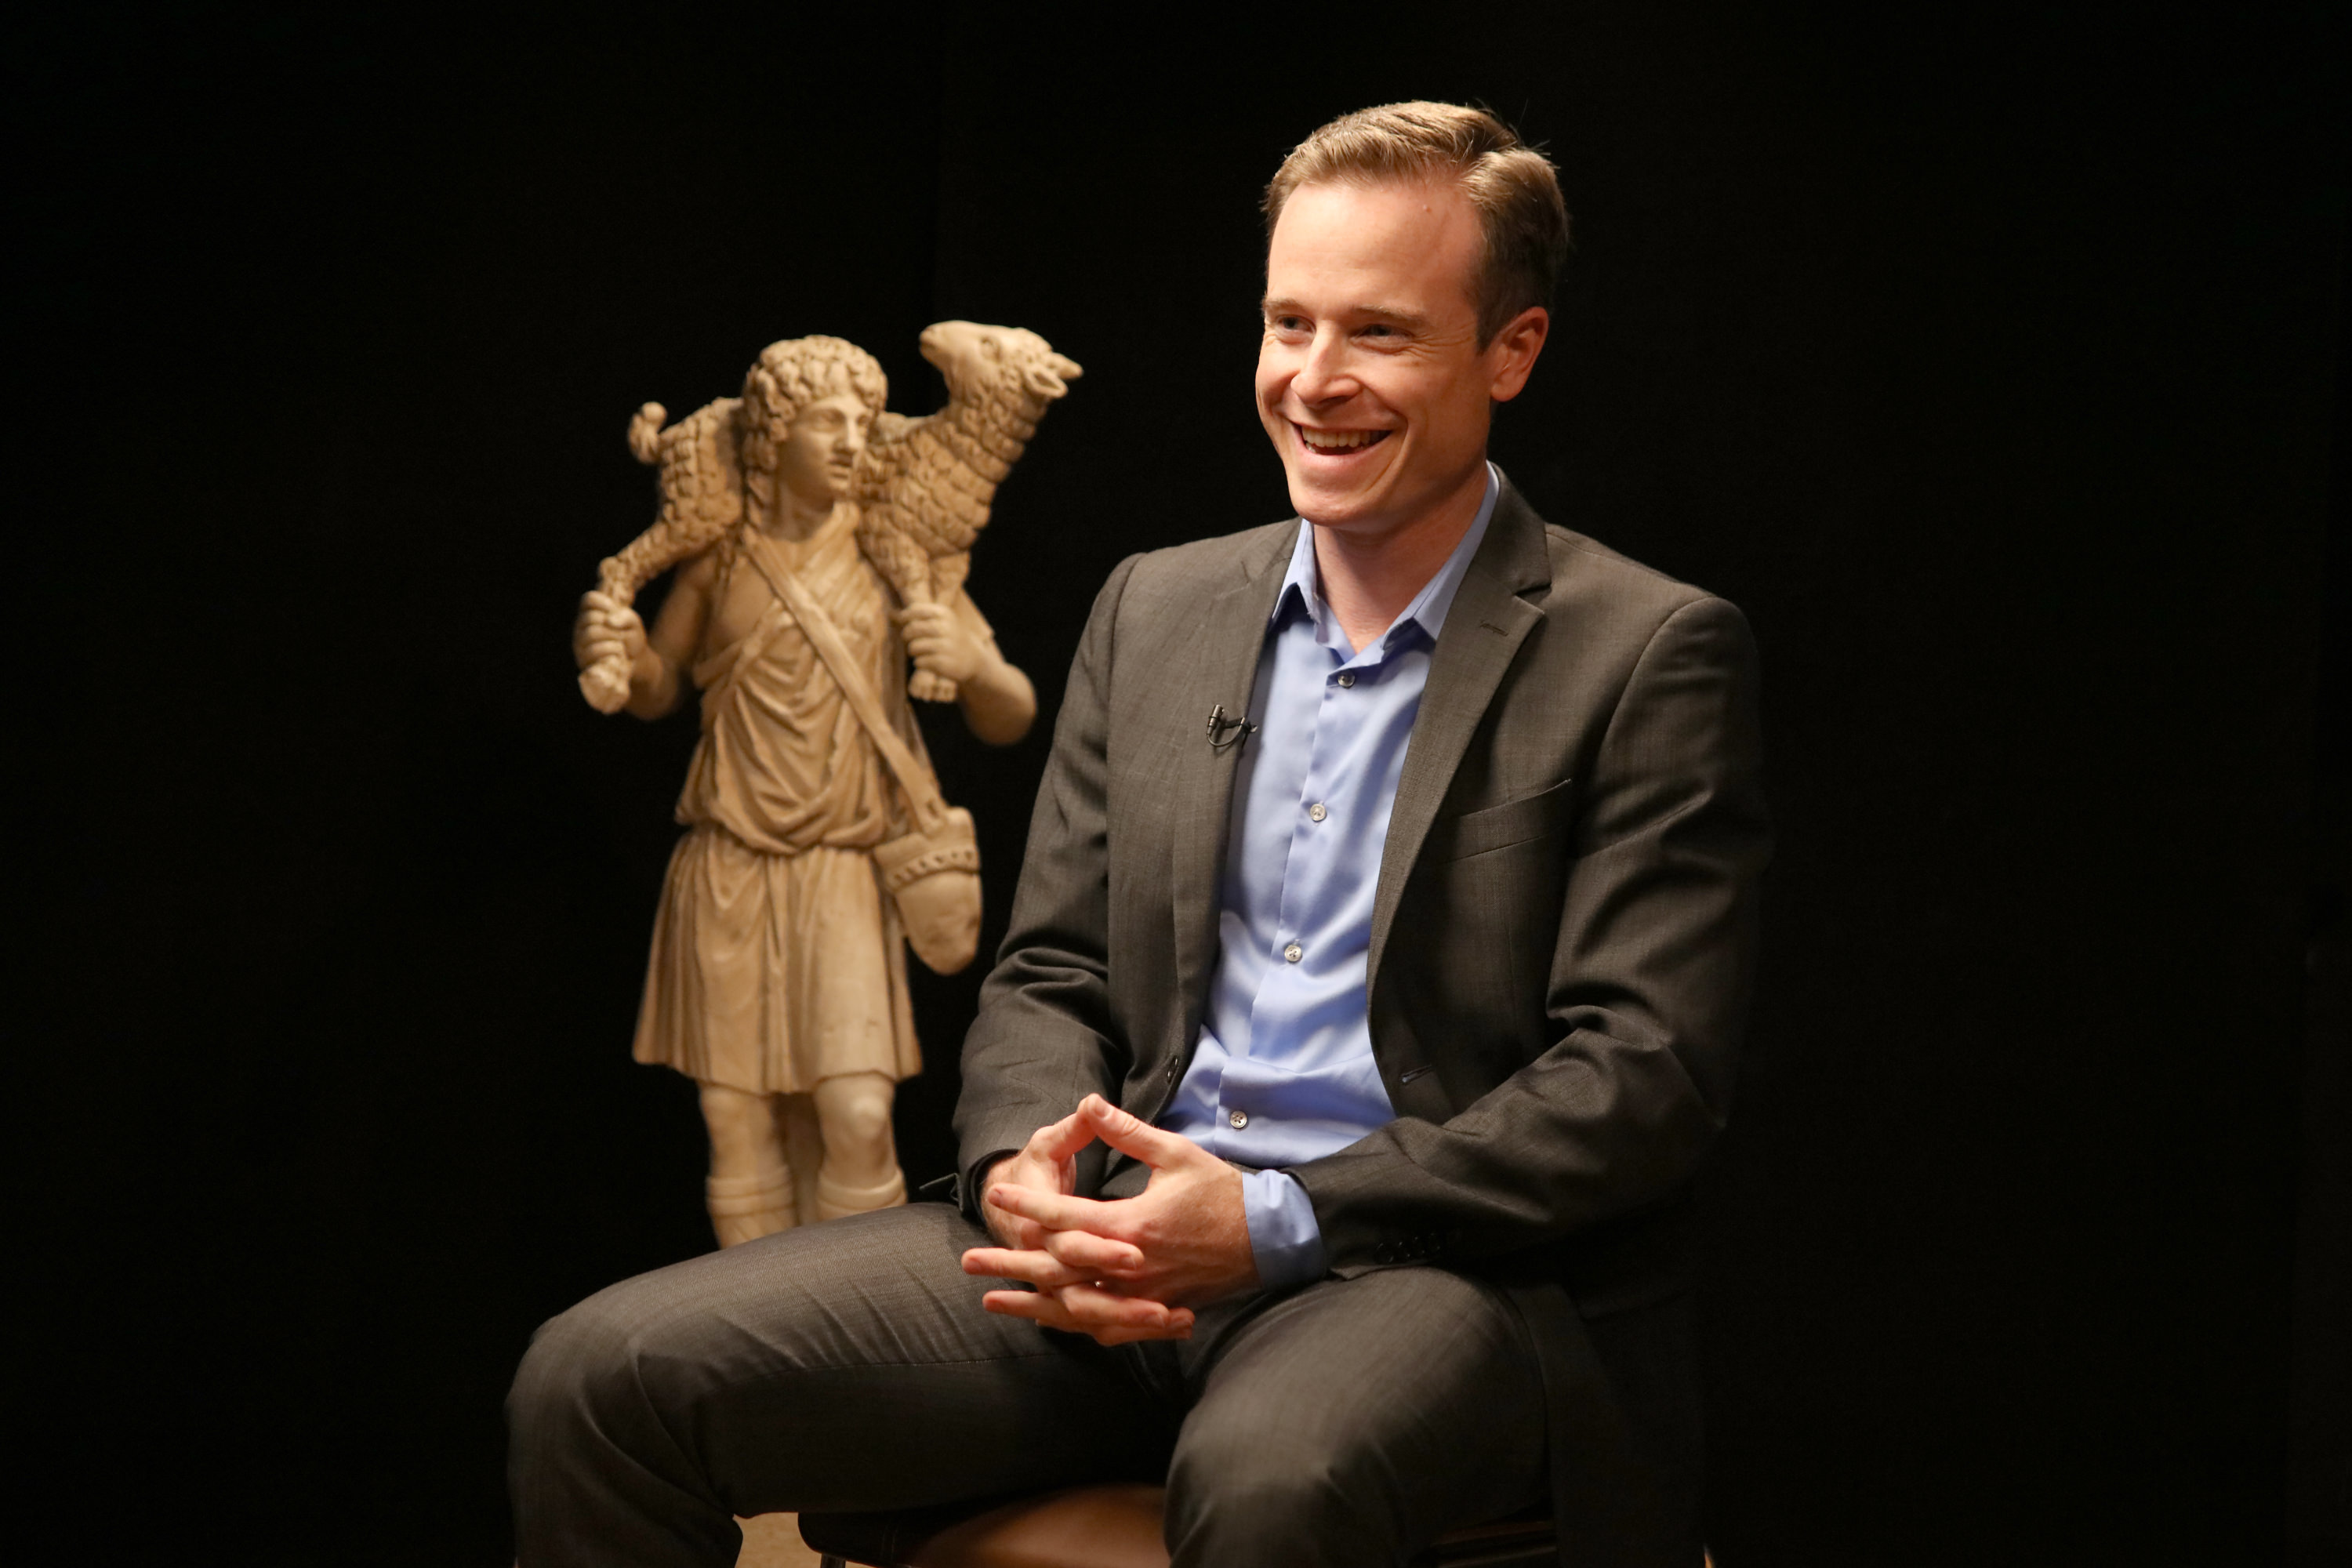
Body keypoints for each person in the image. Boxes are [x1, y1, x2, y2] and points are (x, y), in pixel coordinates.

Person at [514, 101, 1767, 1568]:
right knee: (598, 1383)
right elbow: (1050, 972)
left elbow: (1640, 1077)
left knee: (1268, 1488)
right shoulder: (1156, 609)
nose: (1314, 380)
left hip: (1428, 1272)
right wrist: (1024, 1174)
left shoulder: (1647, 651)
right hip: (1104, 1244)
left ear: (1513, 350)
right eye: (1288, 323)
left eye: (1378, 333)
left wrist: (1274, 1218)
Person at [571, 336, 1038, 1244]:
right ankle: (761, 1321)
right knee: (736, 1122)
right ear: (772, 433)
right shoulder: (721, 559)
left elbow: (1012, 712)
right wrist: (627, 660)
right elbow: (661, 686)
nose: (853, 440)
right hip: (729, 867)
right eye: (829, 420)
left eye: (864, 421)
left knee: (857, 1115)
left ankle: (850, 1315)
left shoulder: (894, 552)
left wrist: (972, 664)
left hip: (843, 872)